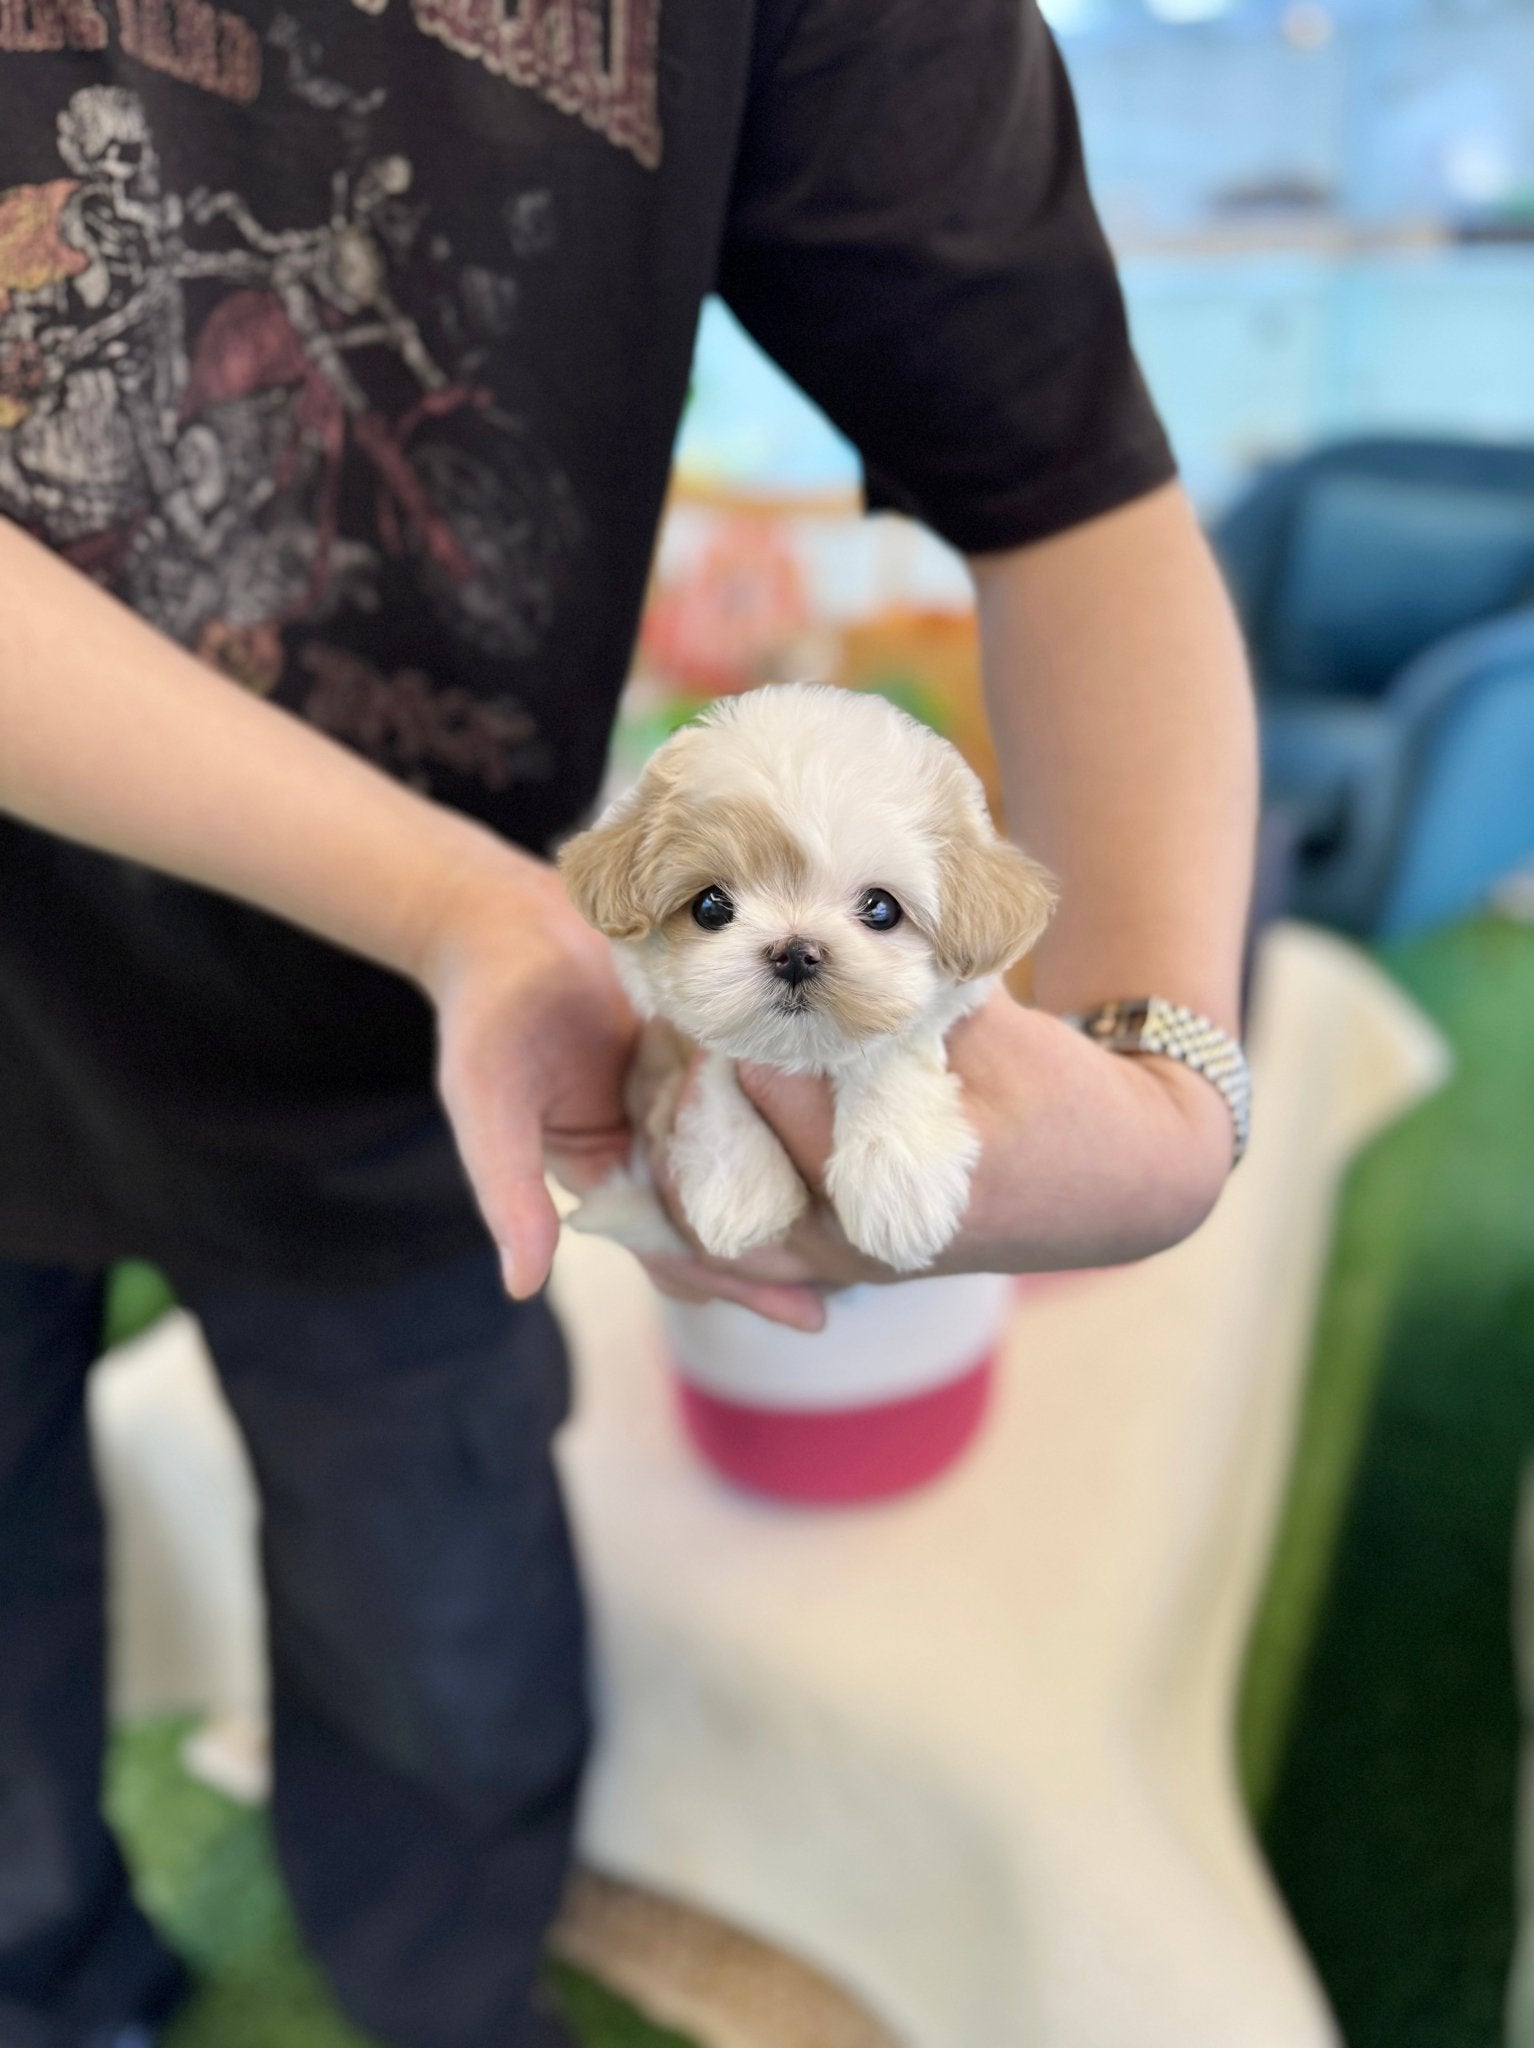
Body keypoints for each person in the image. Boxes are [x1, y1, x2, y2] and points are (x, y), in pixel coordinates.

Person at [0, 4, 1256, 2046]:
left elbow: (1074, 494)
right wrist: (469, 907)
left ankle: (457, 2003)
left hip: (415, 1060)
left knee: (446, 1624)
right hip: (450, 955)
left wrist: (1163, 1086)